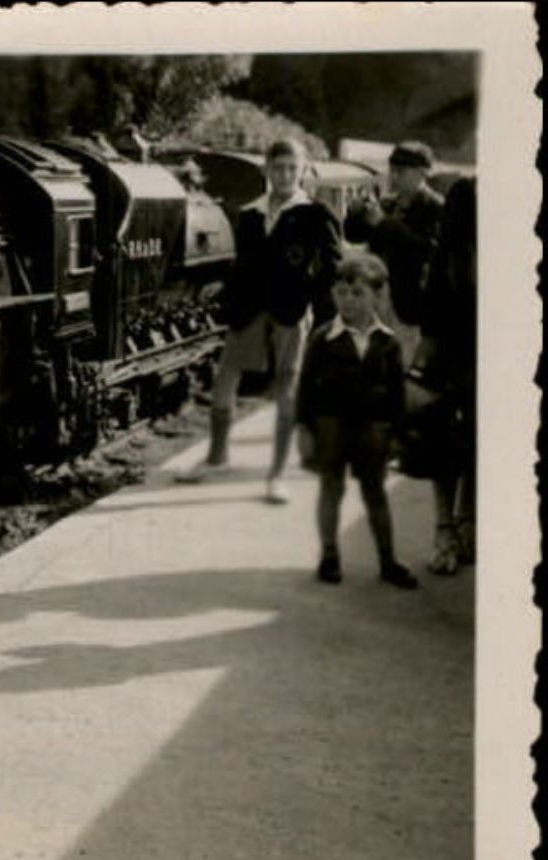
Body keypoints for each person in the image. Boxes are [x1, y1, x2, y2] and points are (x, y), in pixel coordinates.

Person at [180, 138, 344, 504]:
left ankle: (276, 476)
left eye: (291, 168)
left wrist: (315, 304)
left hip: (291, 310)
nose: (284, 175)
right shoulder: (250, 214)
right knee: (225, 380)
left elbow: (333, 265)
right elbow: (242, 265)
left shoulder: (316, 213)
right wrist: (228, 296)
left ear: (303, 171)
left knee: (286, 390)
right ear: (267, 170)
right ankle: (217, 458)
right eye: (277, 168)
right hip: (249, 309)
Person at [296, 252, 418, 589]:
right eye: (341, 293)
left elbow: (396, 393)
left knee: (375, 492)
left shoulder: (388, 342)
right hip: (330, 425)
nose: (348, 301)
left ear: (377, 296)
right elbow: (305, 385)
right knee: (331, 488)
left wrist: (397, 433)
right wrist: (304, 427)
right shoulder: (323, 338)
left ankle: (388, 560)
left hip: (373, 430)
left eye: (358, 294)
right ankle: (330, 555)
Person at [412, 176, 477, 575]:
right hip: (452, 354)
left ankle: (467, 522)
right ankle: (444, 528)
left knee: (478, 441)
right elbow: (433, 304)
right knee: (444, 445)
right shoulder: (449, 248)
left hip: (488, 354)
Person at [344, 141, 445, 359]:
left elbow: (427, 250)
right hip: (375, 298)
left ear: (422, 173)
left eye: (401, 171)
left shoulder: (436, 207)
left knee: (402, 362)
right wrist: (354, 213)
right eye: (392, 170)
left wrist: (384, 223)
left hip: (408, 302)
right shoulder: (388, 204)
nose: (394, 176)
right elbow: (353, 236)